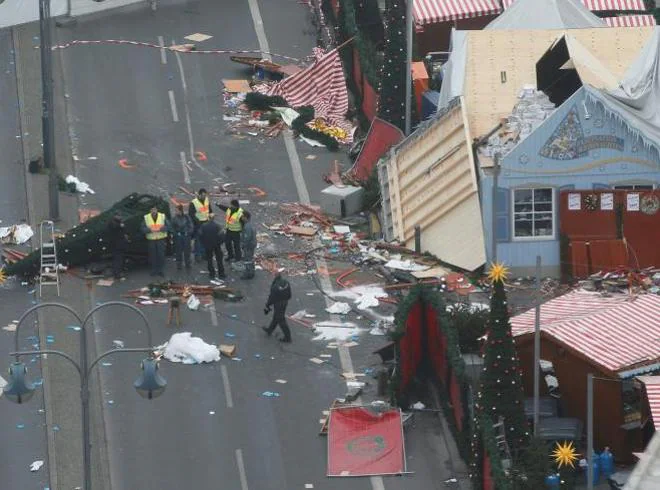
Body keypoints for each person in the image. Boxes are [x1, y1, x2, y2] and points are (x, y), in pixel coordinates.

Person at [262, 273, 292, 343]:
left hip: (278, 303)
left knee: (281, 320)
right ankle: (270, 330)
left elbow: (271, 297)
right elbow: (290, 294)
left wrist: (267, 305)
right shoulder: (286, 282)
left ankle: (288, 337)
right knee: (276, 317)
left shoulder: (274, 286)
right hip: (285, 302)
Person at [141, 206, 170, 277]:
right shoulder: (146, 217)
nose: (153, 211)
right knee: (153, 256)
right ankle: (153, 270)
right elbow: (142, 229)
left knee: (161, 255)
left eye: (155, 209)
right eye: (152, 210)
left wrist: (162, 229)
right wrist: (149, 230)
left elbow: (168, 226)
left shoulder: (162, 216)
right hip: (151, 240)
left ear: (157, 210)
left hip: (161, 239)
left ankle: (160, 270)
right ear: (150, 211)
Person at [199, 213, 226, 280]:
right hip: (216, 245)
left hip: (208, 245)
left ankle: (212, 273)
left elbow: (200, 235)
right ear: (213, 218)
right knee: (219, 259)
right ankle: (221, 273)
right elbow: (222, 236)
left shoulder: (203, 226)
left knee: (209, 259)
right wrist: (220, 243)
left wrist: (203, 243)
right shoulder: (217, 226)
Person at [188, 188, 212, 262]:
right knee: (198, 241)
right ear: (199, 194)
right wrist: (197, 221)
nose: (204, 197)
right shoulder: (194, 203)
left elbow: (210, 210)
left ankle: (204, 255)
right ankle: (197, 256)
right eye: (203, 195)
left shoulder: (207, 200)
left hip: (206, 222)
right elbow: (191, 214)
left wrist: (211, 217)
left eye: (205, 195)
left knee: (206, 240)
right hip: (199, 224)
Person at [171, 204, 193, 271]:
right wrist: (176, 233)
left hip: (186, 236)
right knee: (178, 251)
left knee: (187, 251)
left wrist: (189, 232)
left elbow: (191, 225)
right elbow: (172, 228)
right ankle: (179, 264)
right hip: (178, 237)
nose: (175, 212)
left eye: (177, 210)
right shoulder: (174, 218)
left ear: (180, 210)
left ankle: (188, 264)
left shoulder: (186, 217)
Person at [108, 214, 129, 279]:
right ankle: (117, 274)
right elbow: (114, 227)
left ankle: (119, 271)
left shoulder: (118, 222)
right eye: (119, 216)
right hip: (117, 245)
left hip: (120, 244)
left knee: (120, 259)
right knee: (118, 259)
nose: (120, 217)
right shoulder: (113, 223)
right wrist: (120, 225)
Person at [240, 211, 257, 280]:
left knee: (247, 259)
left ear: (245, 217)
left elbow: (247, 238)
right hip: (252, 244)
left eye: (243, 216)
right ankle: (252, 271)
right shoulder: (250, 225)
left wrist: (243, 245)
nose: (241, 218)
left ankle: (248, 273)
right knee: (250, 258)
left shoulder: (247, 227)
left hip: (248, 246)